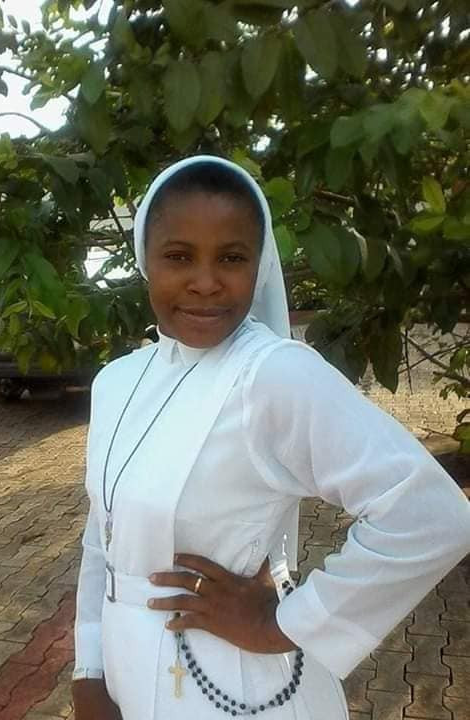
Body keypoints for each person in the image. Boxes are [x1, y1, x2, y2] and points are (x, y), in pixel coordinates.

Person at [71, 155, 470, 720]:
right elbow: (101, 536)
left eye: (231, 258)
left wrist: (287, 622)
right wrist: (89, 669)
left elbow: (430, 514)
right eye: (179, 256)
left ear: (258, 268)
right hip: (124, 675)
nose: (206, 282)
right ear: (145, 261)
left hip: (228, 687)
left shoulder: (272, 374)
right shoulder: (117, 381)